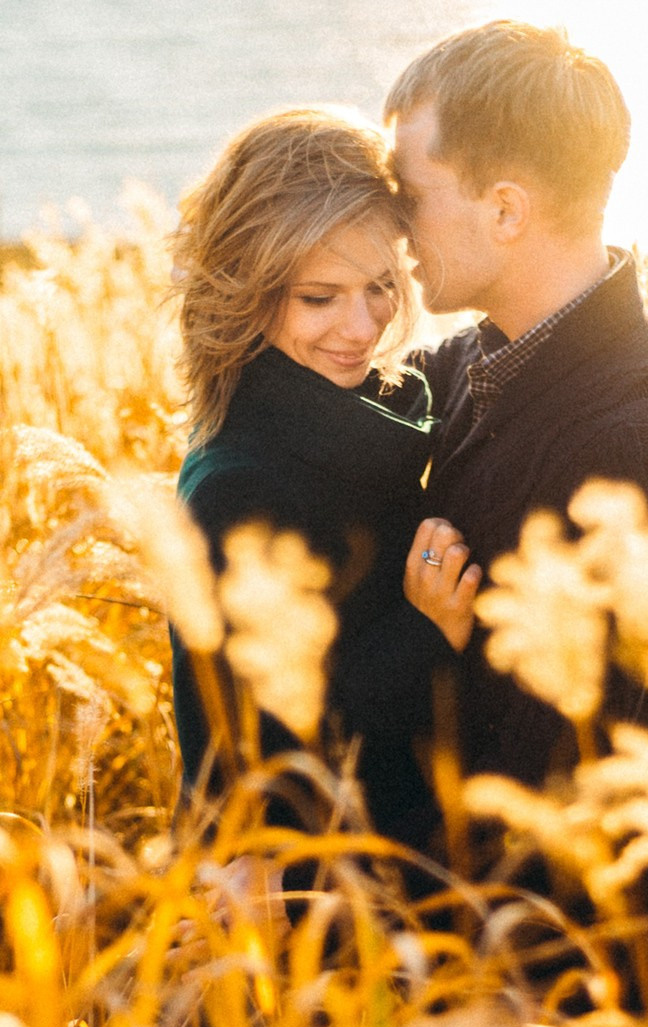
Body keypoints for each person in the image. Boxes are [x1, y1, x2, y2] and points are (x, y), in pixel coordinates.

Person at [386, 21, 648, 797]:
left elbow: (550, 774)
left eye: (410, 199)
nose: (394, 230)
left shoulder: (632, 439)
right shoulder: (488, 354)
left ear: (506, 211)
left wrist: (420, 641)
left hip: (554, 906)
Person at [166, 107, 473, 846]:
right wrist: (430, 635)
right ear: (248, 291)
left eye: (379, 286)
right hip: (305, 896)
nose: (362, 329)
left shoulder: (356, 410)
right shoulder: (240, 484)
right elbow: (261, 744)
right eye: (319, 298)